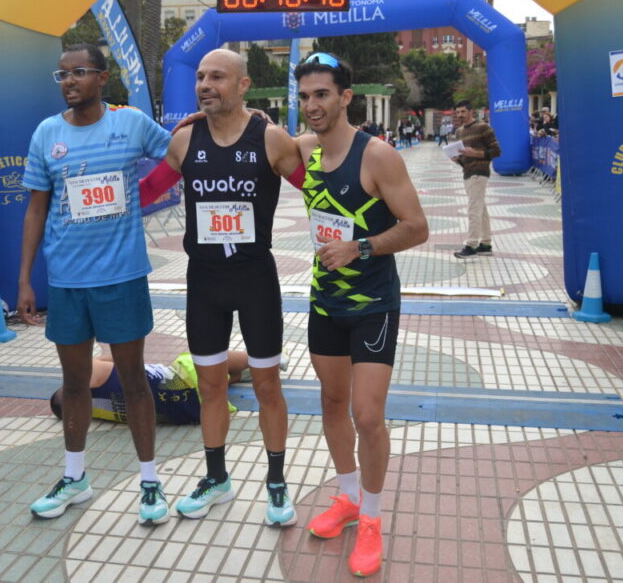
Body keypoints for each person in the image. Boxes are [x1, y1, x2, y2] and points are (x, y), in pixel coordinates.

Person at [17, 43, 172, 526]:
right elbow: (37, 208)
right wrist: (25, 279)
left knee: (134, 383)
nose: (68, 81)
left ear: (103, 78)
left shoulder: (129, 124)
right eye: (61, 74)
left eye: (79, 72)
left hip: (122, 276)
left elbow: (183, 155)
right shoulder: (47, 134)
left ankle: (150, 481)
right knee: (75, 383)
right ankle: (75, 477)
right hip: (67, 280)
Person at [293, 52, 429, 578]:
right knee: (330, 402)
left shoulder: (378, 156)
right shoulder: (306, 151)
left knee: (367, 416)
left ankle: (371, 518)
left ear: (345, 97)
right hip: (324, 302)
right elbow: (243, 131)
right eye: (305, 96)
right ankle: (347, 497)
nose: (312, 105)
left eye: (322, 94)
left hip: (373, 305)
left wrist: (361, 248)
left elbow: (416, 227)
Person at [158, 49, 301, 527]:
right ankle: (216, 478)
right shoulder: (184, 140)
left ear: (243, 85)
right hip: (204, 283)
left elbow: (323, 186)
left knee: (267, 386)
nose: (204, 84)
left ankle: (277, 484)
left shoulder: (271, 137)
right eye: (200, 76)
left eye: (217, 76)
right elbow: (143, 192)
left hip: (255, 280)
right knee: (211, 386)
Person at [49, 350, 252, 425]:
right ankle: (259, 359)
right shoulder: (88, 374)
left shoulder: (98, 412)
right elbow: (121, 357)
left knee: (210, 380)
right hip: (186, 381)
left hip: (191, 411)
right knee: (199, 357)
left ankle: (233, 376)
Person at [451, 100, 502, 259]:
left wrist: (476, 154)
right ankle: (485, 243)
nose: (460, 115)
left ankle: (471, 245)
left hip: (480, 172)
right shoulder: (459, 132)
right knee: (481, 209)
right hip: (467, 171)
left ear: (471, 111)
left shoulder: (483, 128)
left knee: (473, 208)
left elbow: (496, 151)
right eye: (458, 112)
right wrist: (457, 159)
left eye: (463, 112)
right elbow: (464, 158)